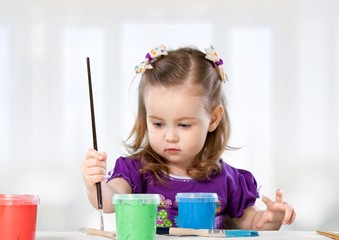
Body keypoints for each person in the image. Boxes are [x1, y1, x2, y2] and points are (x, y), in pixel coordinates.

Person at [81, 45, 296, 230]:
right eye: (158, 124)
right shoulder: (135, 172)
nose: (170, 136)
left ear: (213, 119)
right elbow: (109, 202)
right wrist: (95, 184)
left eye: (184, 125)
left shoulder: (229, 180)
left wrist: (270, 219)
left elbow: (252, 222)